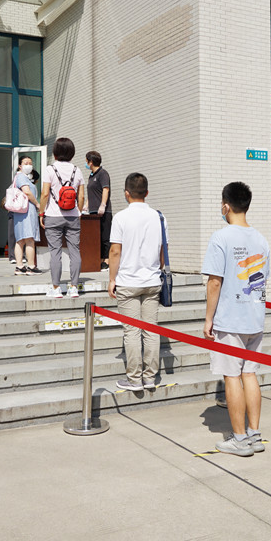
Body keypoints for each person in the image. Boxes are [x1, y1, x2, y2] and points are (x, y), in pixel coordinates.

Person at [202, 181, 270, 457]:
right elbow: (262, 280)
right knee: (249, 374)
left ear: (226, 206)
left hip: (230, 319)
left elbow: (214, 282)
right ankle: (254, 434)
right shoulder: (261, 239)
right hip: (254, 317)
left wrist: (209, 318)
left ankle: (239, 439)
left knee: (232, 376)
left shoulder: (221, 237)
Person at [108, 173, 166, 392]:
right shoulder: (159, 217)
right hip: (152, 281)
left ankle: (134, 379)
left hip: (128, 281)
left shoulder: (121, 217)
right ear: (147, 192)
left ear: (126, 193)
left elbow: (115, 251)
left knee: (131, 332)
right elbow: (163, 251)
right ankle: (150, 377)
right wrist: (156, 270)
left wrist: (112, 279)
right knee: (151, 330)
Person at [38, 138, 85, 298]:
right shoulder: (77, 170)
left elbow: (45, 194)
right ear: (72, 152)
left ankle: (56, 288)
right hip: (73, 217)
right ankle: (74, 287)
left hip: (53, 215)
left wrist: (41, 213)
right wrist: (78, 212)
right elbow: (81, 196)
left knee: (55, 252)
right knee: (75, 251)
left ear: (55, 153)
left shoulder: (50, 169)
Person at [12, 156, 43, 276]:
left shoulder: (22, 177)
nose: (29, 165)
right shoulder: (21, 177)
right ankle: (31, 266)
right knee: (29, 239)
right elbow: (27, 192)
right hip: (27, 211)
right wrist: (37, 204)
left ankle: (20, 266)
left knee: (20, 240)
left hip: (21, 212)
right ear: (20, 166)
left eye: (30, 163)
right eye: (26, 163)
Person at [85, 151, 112, 269]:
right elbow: (91, 192)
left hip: (103, 211)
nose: (86, 163)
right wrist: (86, 205)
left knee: (105, 236)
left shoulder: (102, 173)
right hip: (93, 211)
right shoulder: (91, 175)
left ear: (91, 162)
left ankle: (107, 260)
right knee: (97, 237)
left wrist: (103, 205)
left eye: (86, 161)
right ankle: (99, 259)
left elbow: (105, 189)